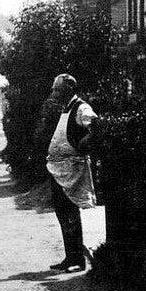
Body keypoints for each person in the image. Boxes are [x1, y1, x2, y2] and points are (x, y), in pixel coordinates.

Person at [45, 73, 98, 273]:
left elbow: (95, 126)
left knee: (71, 213)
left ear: (68, 89)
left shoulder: (81, 108)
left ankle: (78, 260)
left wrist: (83, 145)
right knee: (62, 212)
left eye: (57, 90)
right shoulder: (65, 109)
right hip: (58, 169)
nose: (54, 93)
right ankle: (70, 257)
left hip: (72, 170)